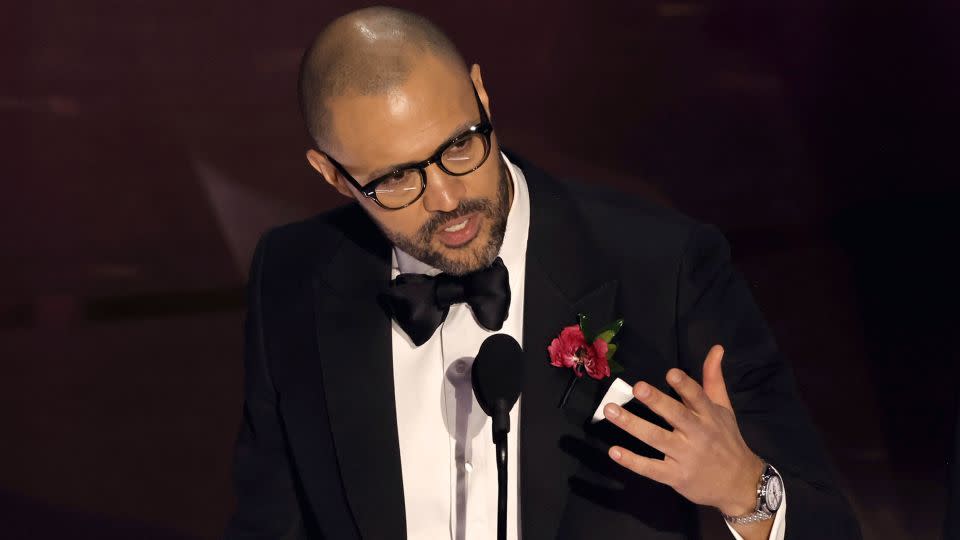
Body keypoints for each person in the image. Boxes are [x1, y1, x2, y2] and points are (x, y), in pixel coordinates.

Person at [225, 6, 861, 540]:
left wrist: (742, 490)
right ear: (333, 175)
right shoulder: (292, 276)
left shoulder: (662, 267)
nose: (446, 199)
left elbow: (829, 525)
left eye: (459, 146)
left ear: (481, 92)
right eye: (395, 179)